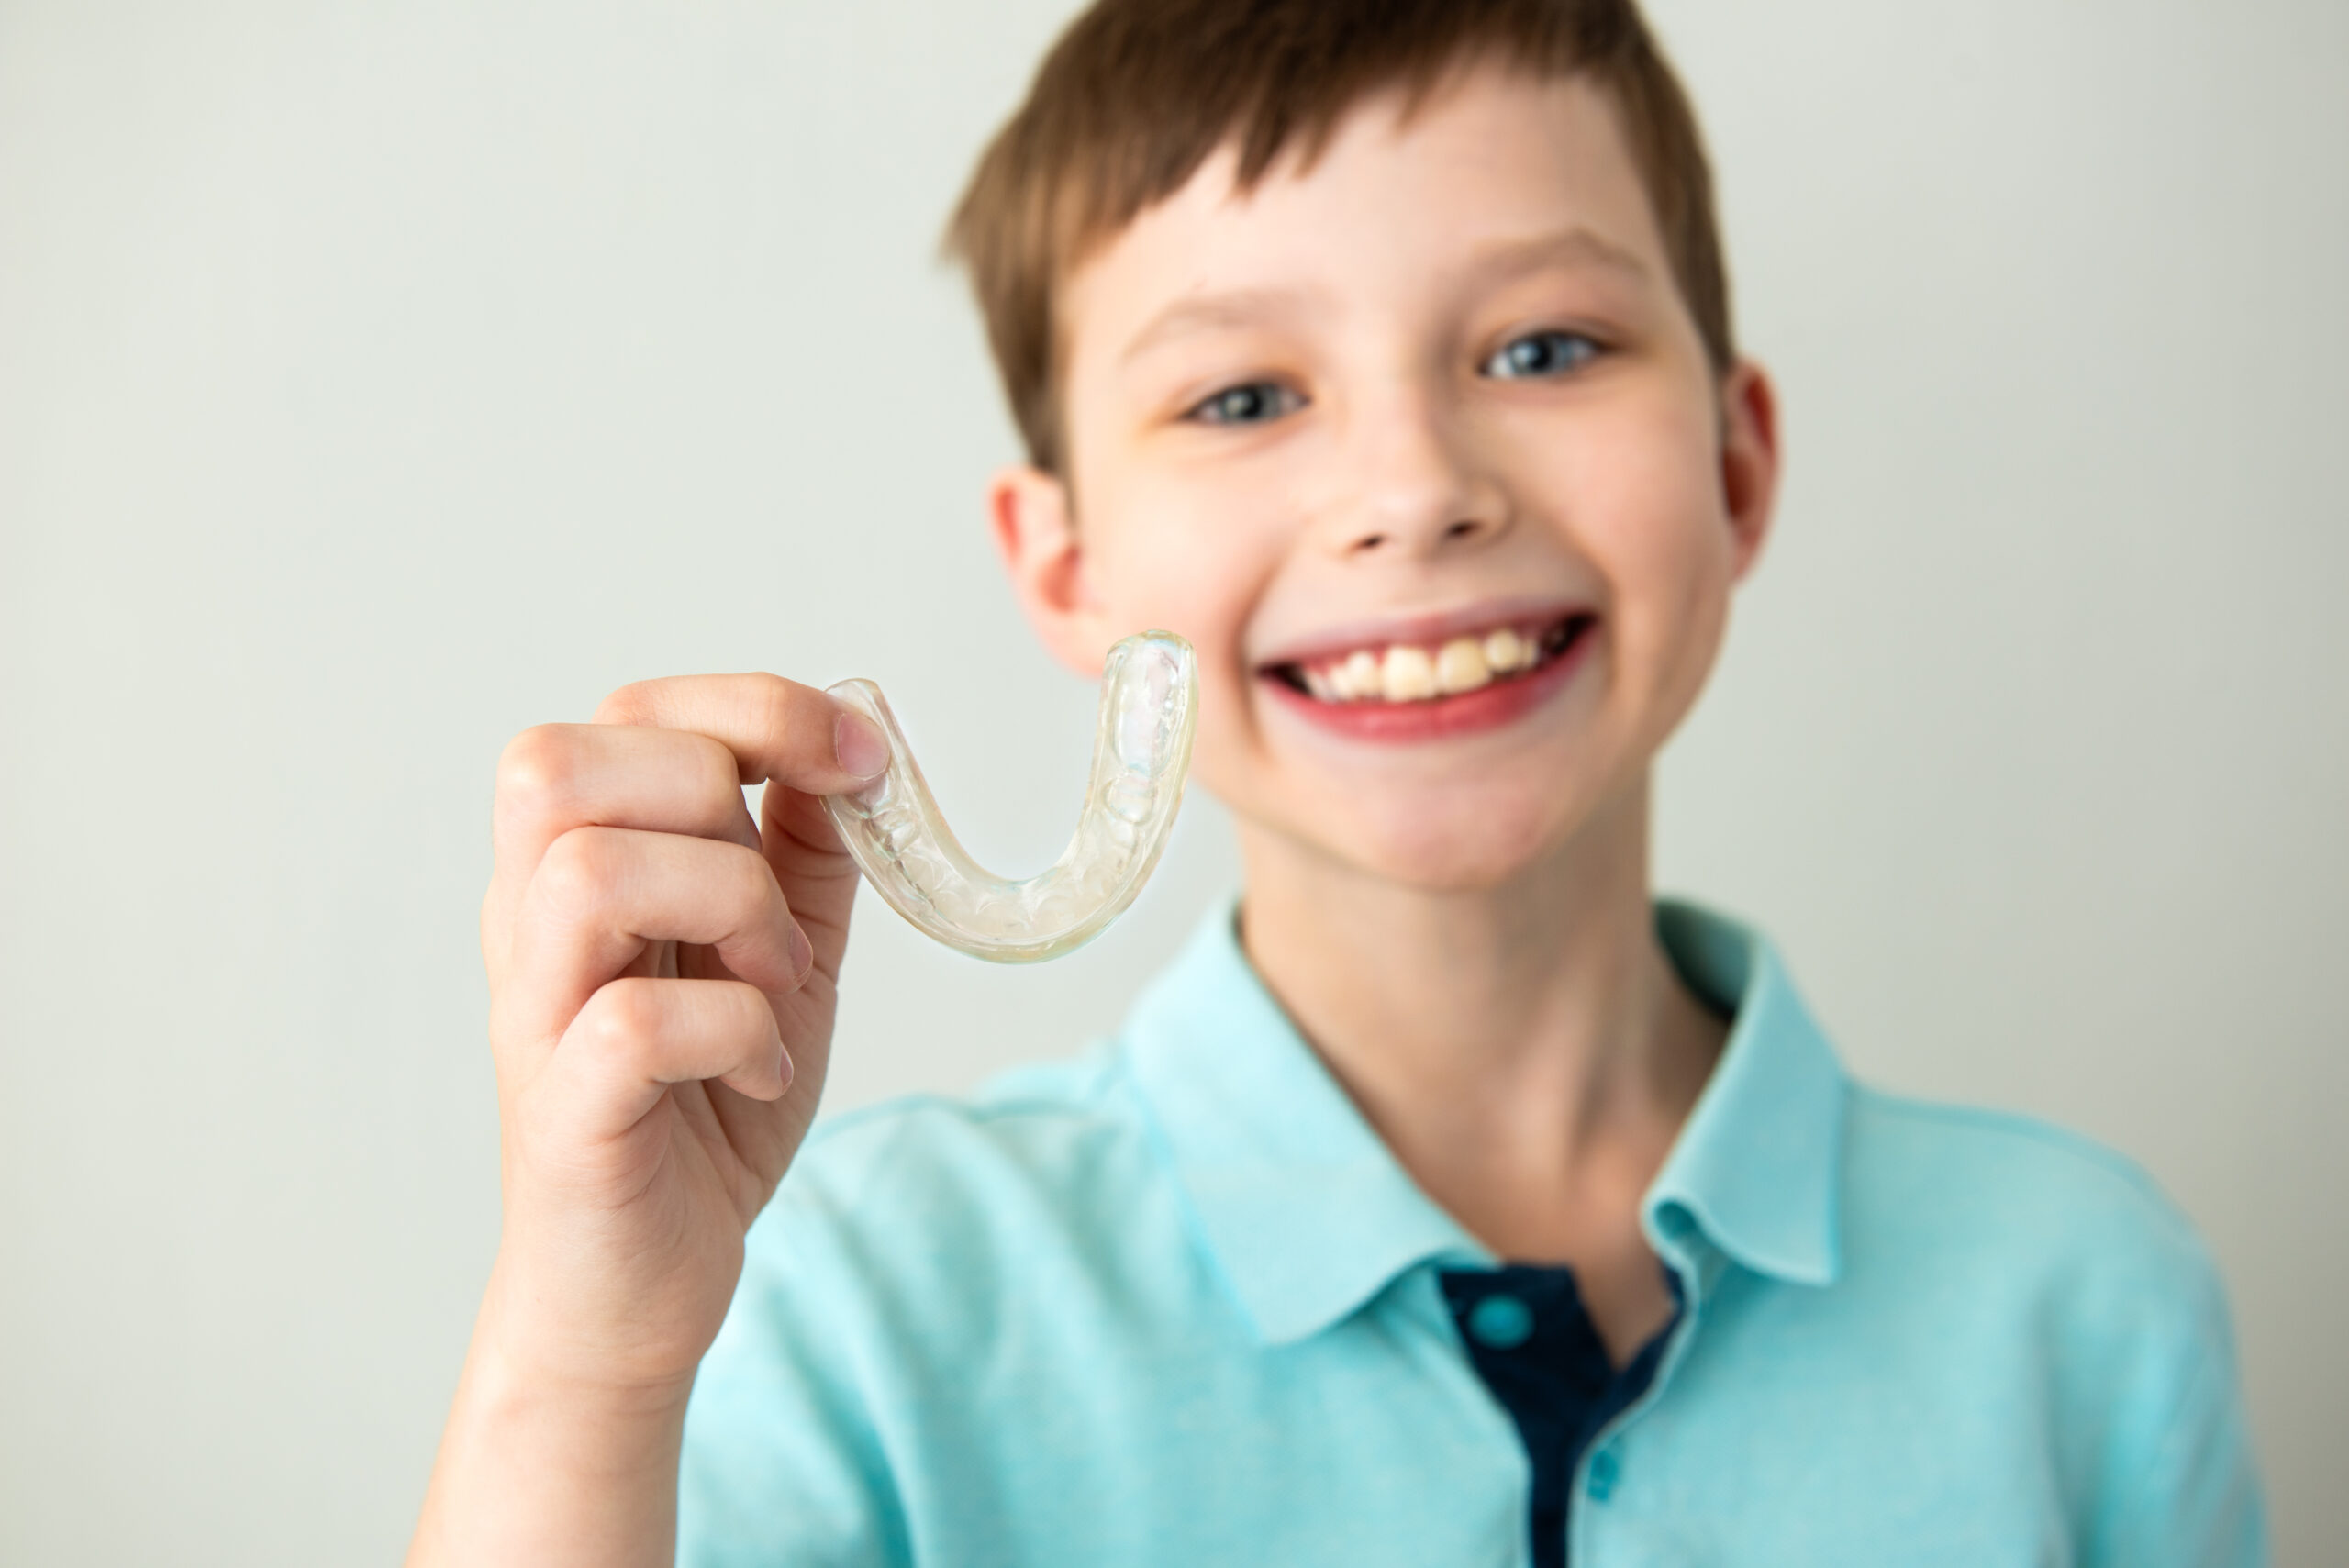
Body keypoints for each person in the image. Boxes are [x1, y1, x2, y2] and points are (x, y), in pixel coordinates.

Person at [406, 1, 2267, 1562]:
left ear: (1736, 463)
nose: (1412, 485)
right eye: (1240, 398)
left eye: (1540, 347)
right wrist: (583, 1368)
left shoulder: (2077, 1306)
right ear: (1067, 570)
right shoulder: (853, 1307)